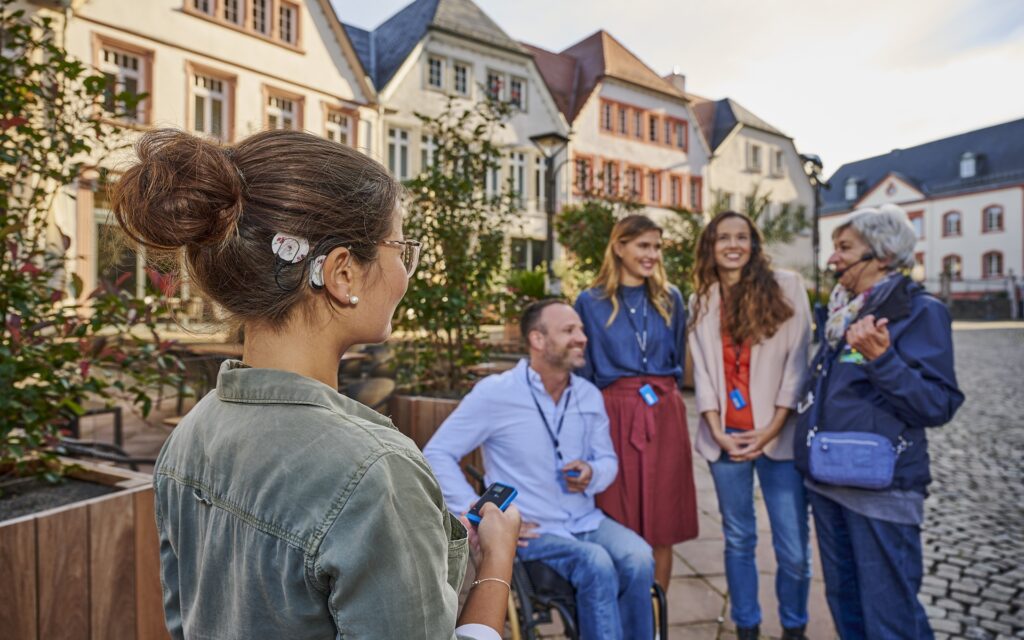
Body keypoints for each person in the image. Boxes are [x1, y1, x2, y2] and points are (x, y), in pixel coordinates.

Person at [112, 128, 521, 640]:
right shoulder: (374, 473)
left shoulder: (190, 436)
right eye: (400, 248)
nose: (404, 272)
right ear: (342, 273)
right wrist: (495, 566)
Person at [424, 299, 656, 640]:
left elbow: (609, 461)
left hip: (584, 519)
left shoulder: (589, 395)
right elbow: (438, 453)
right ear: (538, 340)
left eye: (580, 329)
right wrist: (484, 510)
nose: (582, 337)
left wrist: (593, 471)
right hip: (533, 529)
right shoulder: (497, 393)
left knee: (640, 557)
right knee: (597, 564)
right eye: (569, 330)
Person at [794, 204, 964, 639]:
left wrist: (882, 359)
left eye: (845, 248)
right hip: (827, 482)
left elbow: (937, 404)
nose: (833, 259)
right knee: (846, 610)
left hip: (882, 491)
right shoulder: (841, 313)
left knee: (891, 619)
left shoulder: (920, 311)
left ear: (884, 256)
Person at [688, 211, 813, 640]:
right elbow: (703, 373)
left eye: (742, 237)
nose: (733, 245)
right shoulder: (702, 299)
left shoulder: (788, 287)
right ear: (711, 245)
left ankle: (794, 627)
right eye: (724, 237)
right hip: (725, 438)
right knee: (739, 539)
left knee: (793, 549)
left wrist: (774, 426)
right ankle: (747, 625)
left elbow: (799, 364)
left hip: (778, 438)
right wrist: (716, 428)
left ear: (754, 244)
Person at [573, 214, 698, 591]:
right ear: (619, 246)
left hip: (664, 414)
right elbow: (583, 373)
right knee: (615, 513)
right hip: (613, 413)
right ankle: (618, 610)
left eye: (657, 247)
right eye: (644, 246)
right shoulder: (590, 301)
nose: (652, 255)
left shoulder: (670, 298)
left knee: (663, 522)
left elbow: (676, 356)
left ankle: (655, 621)